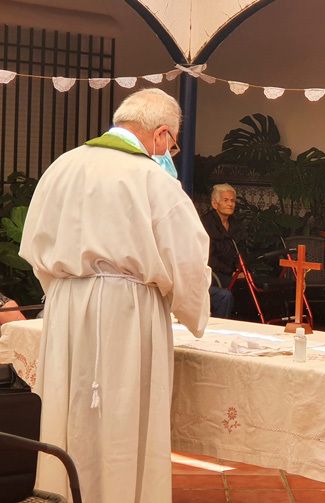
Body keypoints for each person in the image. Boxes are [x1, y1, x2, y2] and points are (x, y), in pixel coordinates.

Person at [19, 88, 211, 503]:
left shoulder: (63, 166)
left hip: (67, 308)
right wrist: (193, 311)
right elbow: (187, 261)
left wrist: (70, 291)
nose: (169, 154)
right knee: (122, 418)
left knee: (70, 410)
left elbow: (34, 245)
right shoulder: (153, 179)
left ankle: (62, 493)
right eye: (172, 146)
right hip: (128, 312)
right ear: (161, 135)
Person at [200, 183, 237, 318]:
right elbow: (207, 257)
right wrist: (231, 272)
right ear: (215, 204)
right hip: (212, 273)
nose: (230, 204)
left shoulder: (236, 223)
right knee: (235, 289)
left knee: (251, 285)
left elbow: (240, 250)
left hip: (233, 272)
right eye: (226, 200)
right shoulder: (206, 223)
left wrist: (239, 270)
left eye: (232, 201)